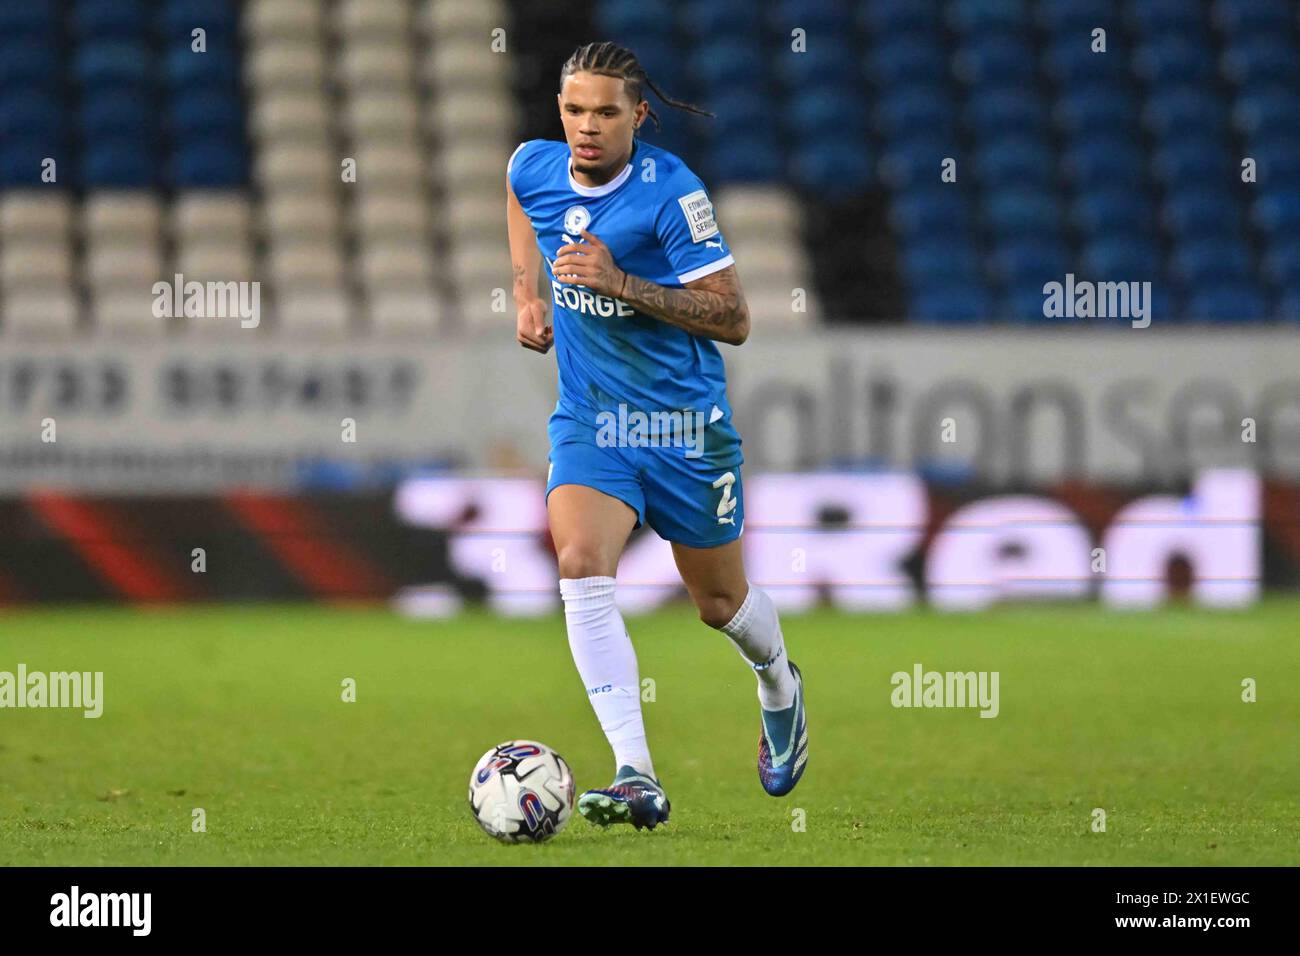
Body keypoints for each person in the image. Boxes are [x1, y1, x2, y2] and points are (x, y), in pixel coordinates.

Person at [504, 41, 807, 831]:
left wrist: (623, 284)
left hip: (683, 428)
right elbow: (517, 195)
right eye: (574, 110)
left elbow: (734, 318)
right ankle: (635, 772)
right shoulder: (534, 167)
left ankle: (779, 682)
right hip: (592, 422)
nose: (587, 127)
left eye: (606, 112)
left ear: (639, 114)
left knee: (719, 603)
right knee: (579, 563)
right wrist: (525, 295)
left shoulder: (673, 193)